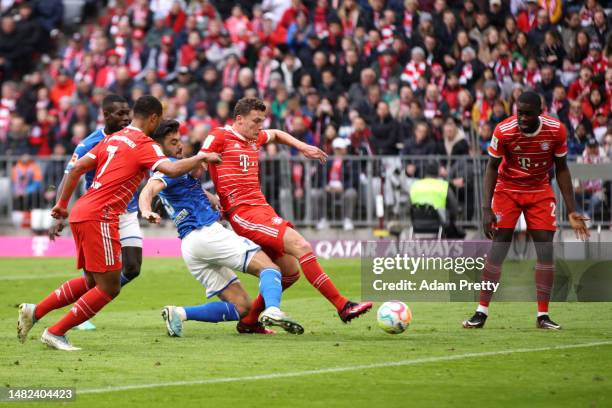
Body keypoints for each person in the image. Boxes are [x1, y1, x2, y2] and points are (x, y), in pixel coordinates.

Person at [17, 96, 221, 351]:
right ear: (154, 119)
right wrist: (202, 157)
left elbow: (77, 167)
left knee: (93, 282)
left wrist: (62, 205)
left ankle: (35, 312)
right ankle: (56, 331)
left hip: (83, 210)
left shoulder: (112, 139)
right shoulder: (144, 143)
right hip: (101, 215)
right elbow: (171, 170)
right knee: (110, 287)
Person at [201, 97, 372, 329]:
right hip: (242, 212)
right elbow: (198, 163)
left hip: (261, 208)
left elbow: (277, 134)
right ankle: (343, 306)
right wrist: (203, 196)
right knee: (301, 246)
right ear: (239, 120)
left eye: (262, 120)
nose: (260, 126)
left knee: (290, 272)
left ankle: (250, 322)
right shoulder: (220, 136)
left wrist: (302, 147)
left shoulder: (254, 137)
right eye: (255, 121)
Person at [138, 120, 303, 336]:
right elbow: (148, 190)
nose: (180, 146)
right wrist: (145, 209)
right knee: (270, 268)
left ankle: (178, 313)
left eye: (180, 141)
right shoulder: (167, 167)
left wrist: (218, 201)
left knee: (242, 307)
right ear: (160, 148)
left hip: (191, 247)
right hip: (206, 234)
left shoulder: (178, 172)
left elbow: (196, 194)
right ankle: (273, 310)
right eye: (173, 142)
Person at [463, 91, 589, 331]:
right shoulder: (503, 130)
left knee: (545, 248)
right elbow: (491, 167)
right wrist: (485, 208)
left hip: (539, 190)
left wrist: (572, 209)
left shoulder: (556, 130)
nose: (522, 118)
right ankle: (481, 311)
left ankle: (543, 315)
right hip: (507, 189)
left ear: (539, 113)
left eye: (527, 114)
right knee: (499, 246)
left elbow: (562, 169)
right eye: (519, 113)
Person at [48, 95, 139, 331]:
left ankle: (90, 304)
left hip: (128, 211)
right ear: (105, 115)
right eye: (121, 114)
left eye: (128, 113)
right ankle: (82, 311)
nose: (127, 118)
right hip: (102, 213)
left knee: (132, 268)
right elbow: (71, 174)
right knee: (96, 279)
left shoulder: (132, 137)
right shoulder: (90, 143)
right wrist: (60, 211)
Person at [409, 162, 465, 239]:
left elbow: (409, 207)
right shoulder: (443, 185)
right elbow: (454, 208)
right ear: (438, 172)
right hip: (439, 224)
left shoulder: (415, 185)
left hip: (417, 223)